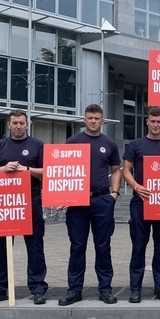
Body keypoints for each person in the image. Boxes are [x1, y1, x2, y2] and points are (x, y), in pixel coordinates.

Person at [59, 104, 122, 306]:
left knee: (103, 246)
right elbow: (62, 170)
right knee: (77, 247)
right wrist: (62, 196)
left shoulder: (109, 144)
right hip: (77, 203)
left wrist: (114, 194)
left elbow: (116, 169)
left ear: (102, 121)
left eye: (97, 118)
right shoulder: (72, 142)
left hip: (102, 200)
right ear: (84, 120)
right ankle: (74, 290)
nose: (93, 121)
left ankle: (105, 289)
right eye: (90, 118)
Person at [0, 110, 47, 305]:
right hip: (5, 202)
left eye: (21, 123)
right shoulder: (0, 145)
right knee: (2, 246)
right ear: (8, 125)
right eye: (15, 123)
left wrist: (25, 170)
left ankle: (37, 288)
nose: (18, 126)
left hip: (31, 200)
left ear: (27, 124)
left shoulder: (37, 145)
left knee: (35, 245)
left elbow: (46, 171)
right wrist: (4, 168)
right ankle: (0, 288)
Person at [122, 107, 160, 303]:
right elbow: (126, 170)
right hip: (141, 202)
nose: (156, 125)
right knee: (139, 245)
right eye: (153, 121)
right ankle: (135, 288)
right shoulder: (136, 144)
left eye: (159, 122)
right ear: (147, 121)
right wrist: (136, 187)